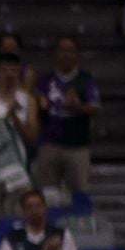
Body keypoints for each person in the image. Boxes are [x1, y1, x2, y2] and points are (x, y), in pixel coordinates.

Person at [0, 53, 40, 217]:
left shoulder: (27, 100)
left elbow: (31, 137)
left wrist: (15, 118)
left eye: (13, 70)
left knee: (20, 222)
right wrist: (2, 121)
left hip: (18, 173)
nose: (9, 74)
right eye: (5, 70)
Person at [36, 36, 99, 197]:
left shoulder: (86, 80)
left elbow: (94, 109)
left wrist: (76, 106)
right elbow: (35, 107)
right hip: (50, 145)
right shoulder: (45, 80)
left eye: (70, 51)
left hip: (77, 146)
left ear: (77, 54)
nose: (66, 55)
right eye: (62, 50)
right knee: (48, 195)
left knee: (79, 194)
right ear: (56, 53)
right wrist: (40, 105)